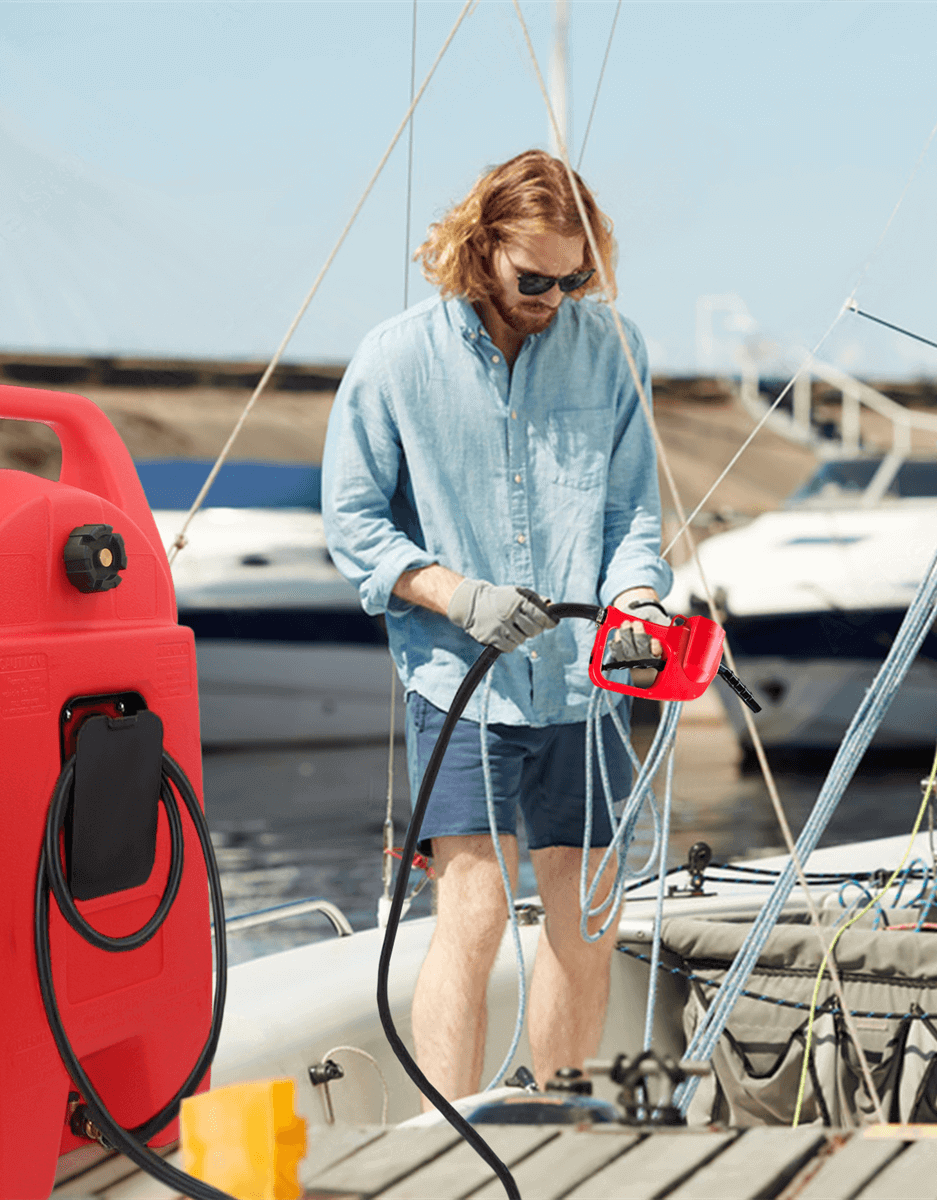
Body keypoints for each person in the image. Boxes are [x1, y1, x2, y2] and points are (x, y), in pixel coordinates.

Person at [321, 149, 672, 1102]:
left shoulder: (615, 349)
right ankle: (450, 1138)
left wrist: (638, 603)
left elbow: (631, 518)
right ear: (481, 247)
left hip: (587, 682)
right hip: (460, 679)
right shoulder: (394, 359)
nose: (555, 299)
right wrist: (453, 593)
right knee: (473, 914)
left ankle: (558, 1123)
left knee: (585, 916)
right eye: (535, 280)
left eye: (575, 280)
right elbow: (353, 524)